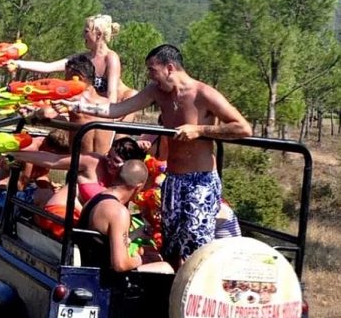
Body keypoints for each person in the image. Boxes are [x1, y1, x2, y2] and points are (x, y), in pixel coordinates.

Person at [60, 44, 253, 267]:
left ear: (170, 68)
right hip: (172, 180)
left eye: (153, 70)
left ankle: (189, 297)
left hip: (200, 181)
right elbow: (116, 110)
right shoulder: (156, 92)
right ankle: (166, 293)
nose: (150, 76)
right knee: (170, 245)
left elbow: (243, 128)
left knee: (195, 247)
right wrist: (81, 106)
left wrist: (200, 130)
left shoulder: (203, 93)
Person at [10, 14, 135, 109]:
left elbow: (112, 97)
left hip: (112, 108)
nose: (82, 35)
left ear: (98, 34)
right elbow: (49, 67)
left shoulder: (111, 58)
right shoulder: (81, 59)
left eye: (86, 31)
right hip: (89, 107)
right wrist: (18, 63)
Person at [77, 159, 173, 273]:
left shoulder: (95, 199)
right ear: (138, 187)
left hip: (86, 264)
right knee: (165, 268)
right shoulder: (118, 212)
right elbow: (120, 265)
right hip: (103, 277)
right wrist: (141, 259)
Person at [9, 136, 146, 204]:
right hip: (68, 216)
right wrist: (15, 154)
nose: (109, 162)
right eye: (109, 155)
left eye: (115, 161)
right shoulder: (94, 161)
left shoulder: (127, 181)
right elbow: (54, 160)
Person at [28, 54, 112, 154]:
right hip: (104, 165)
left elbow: (46, 113)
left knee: (26, 153)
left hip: (78, 165)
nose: (64, 82)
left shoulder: (73, 98)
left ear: (79, 78)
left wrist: (33, 114)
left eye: (67, 79)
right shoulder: (108, 105)